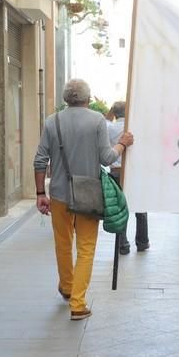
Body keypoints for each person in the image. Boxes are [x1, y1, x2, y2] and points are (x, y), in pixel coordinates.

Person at [34, 79, 133, 320]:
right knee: (86, 248)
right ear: (87, 99)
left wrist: (40, 194)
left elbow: (39, 160)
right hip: (89, 194)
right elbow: (108, 158)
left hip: (58, 194)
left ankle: (67, 287)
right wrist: (122, 144)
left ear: (66, 99)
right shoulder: (97, 120)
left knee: (63, 244)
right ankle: (78, 303)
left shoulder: (51, 121)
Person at [104, 101, 148, 254]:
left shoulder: (109, 127)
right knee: (140, 205)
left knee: (120, 208)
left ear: (114, 113)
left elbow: (106, 120)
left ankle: (123, 245)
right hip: (134, 170)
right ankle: (142, 241)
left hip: (116, 171)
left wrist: (111, 112)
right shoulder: (133, 128)